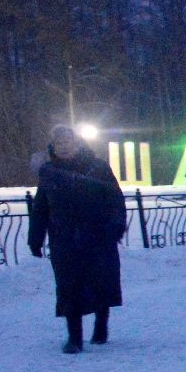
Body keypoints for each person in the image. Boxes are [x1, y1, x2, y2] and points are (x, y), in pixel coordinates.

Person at [29, 125, 127, 353]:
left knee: (100, 282)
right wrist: (35, 238)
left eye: (68, 141)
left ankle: (100, 327)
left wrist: (115, 227)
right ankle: (74, 337)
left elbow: (115, 200)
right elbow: (40, 208)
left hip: (98, 236)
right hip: (64, 239)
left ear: (77, 143)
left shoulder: (98, 168)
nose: (64, 146)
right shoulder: (49, 172)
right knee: (68, 285)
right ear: (53, 146)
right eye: (59, 143)